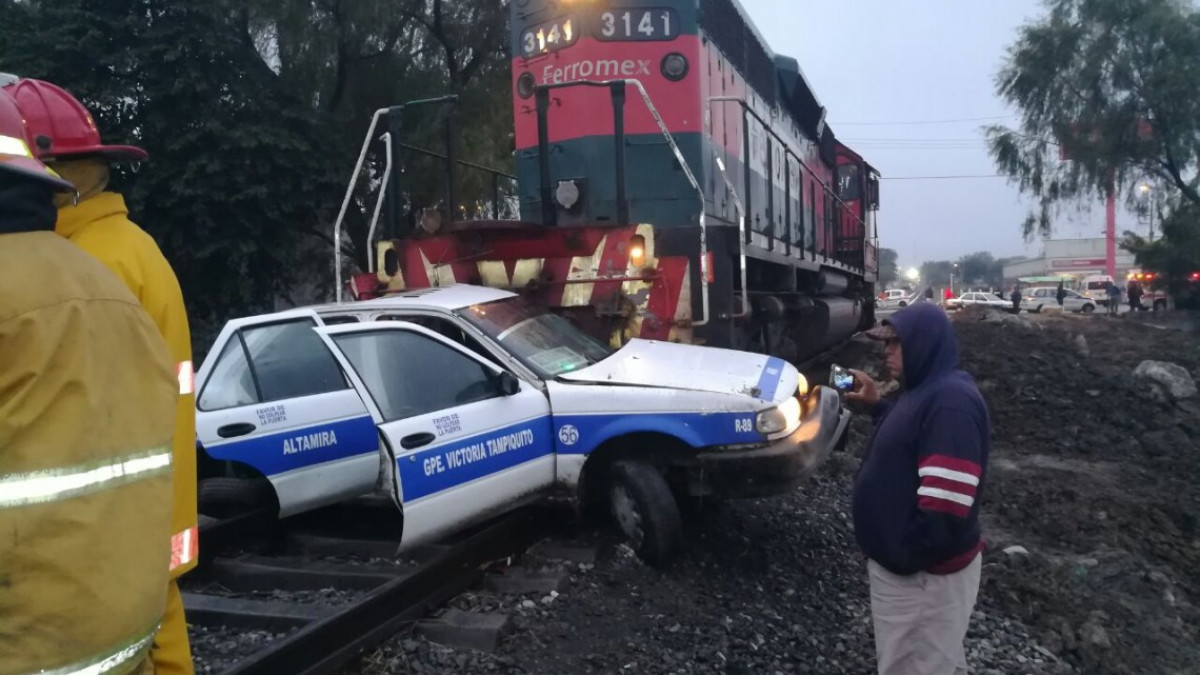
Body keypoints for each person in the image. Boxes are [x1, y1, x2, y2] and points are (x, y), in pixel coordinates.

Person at [5, 76, 198, 673]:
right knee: (154, 636)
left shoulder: (90, 261)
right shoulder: (127, 252)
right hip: (142, 510)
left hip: (86, 530)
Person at [845, 303, 991, 675]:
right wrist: (878, 407)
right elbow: (913, 436)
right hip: (916, 575)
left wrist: (903, 559)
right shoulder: (927, 389)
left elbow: (946, 505)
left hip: (923, 579)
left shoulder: (951, 404)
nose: (887, 351)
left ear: (924, 344)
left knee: (912, 666)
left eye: (896, 344)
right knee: (932, 661)